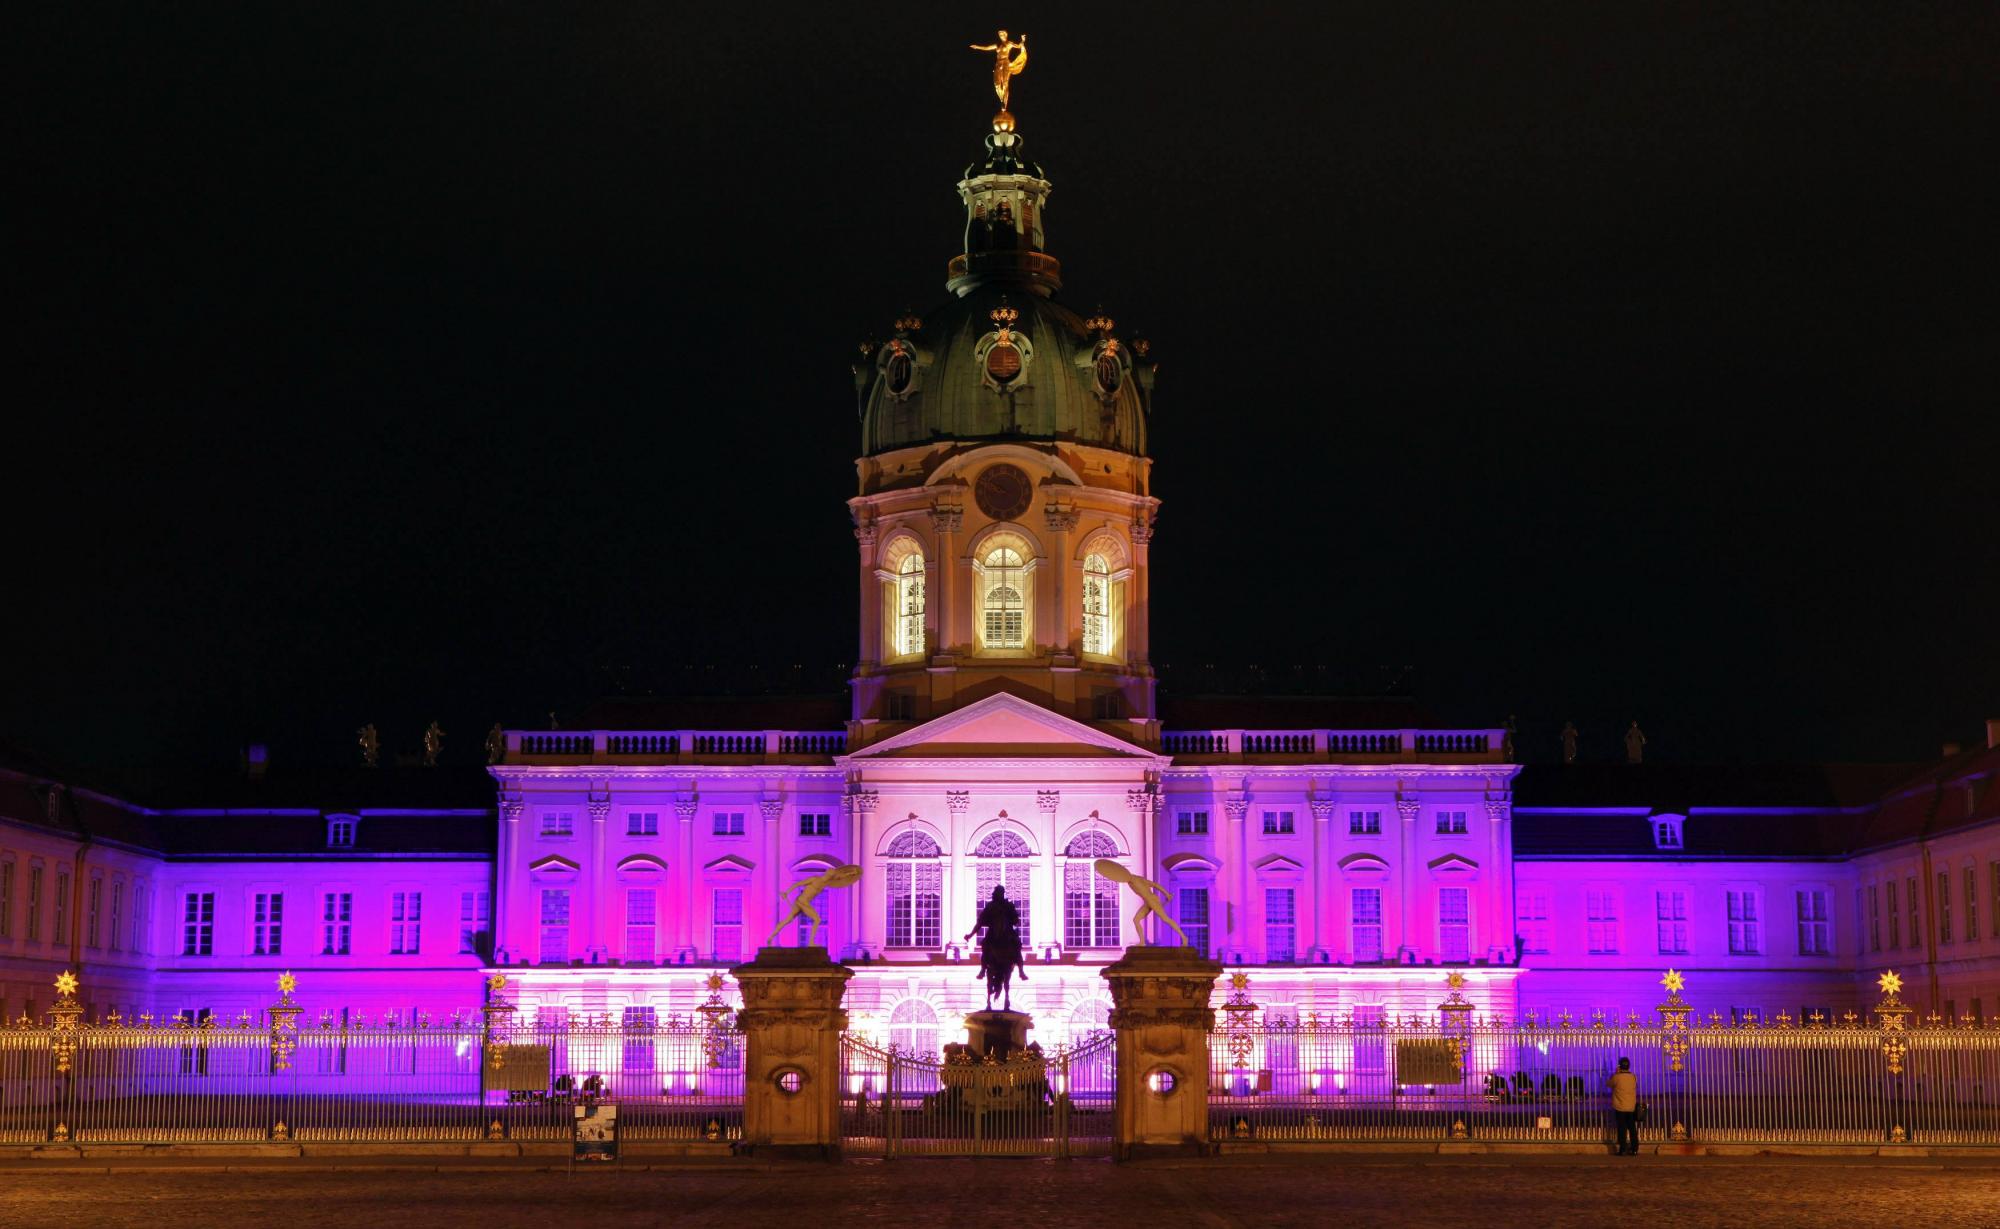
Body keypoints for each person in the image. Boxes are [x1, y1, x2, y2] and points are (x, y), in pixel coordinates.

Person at [1609, 1056, 1639, 1155]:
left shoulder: (1616, 1077)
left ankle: (1623, 1149)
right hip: (1631, 1107)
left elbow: (1609, 1084)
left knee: (1622, 1128)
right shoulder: (1633, 1076)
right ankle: (1634, 1149)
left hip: (1620, 1107)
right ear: (1628, 1066)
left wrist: (1615, 1073)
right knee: (1632, 1128)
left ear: (1620, 1066)